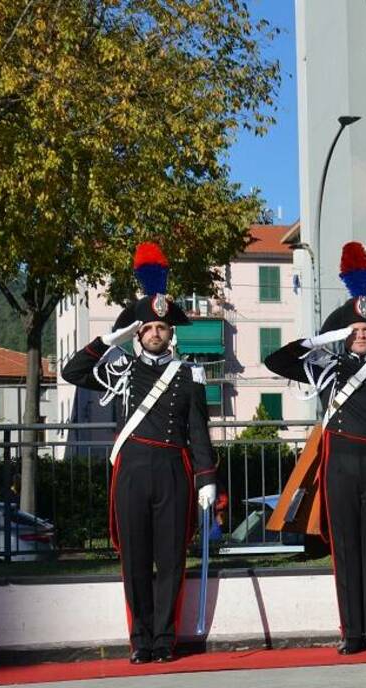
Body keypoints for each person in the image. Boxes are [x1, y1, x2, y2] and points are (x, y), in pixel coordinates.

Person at [62, 243, 216, 663]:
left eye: (161, 328)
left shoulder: (189, 375)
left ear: (171, 332)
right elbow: (71, 371)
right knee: (134, 560)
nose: (155, 333)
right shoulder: (122, 368)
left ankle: (165, 640)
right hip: (131, 470)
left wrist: (207, 479)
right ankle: (140, 640)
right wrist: (111, 338)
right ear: (138, 332)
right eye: (147, 328)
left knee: (169, 559)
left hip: (173, 470)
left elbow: (199, 432)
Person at [265, 242, 366, 654]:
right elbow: (277, 361)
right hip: (340, 466)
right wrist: (321, 338)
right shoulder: (327, 365)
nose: (362, 336)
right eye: (354, 331)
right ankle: (352, 633)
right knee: (344, 548)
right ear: (344, 334)